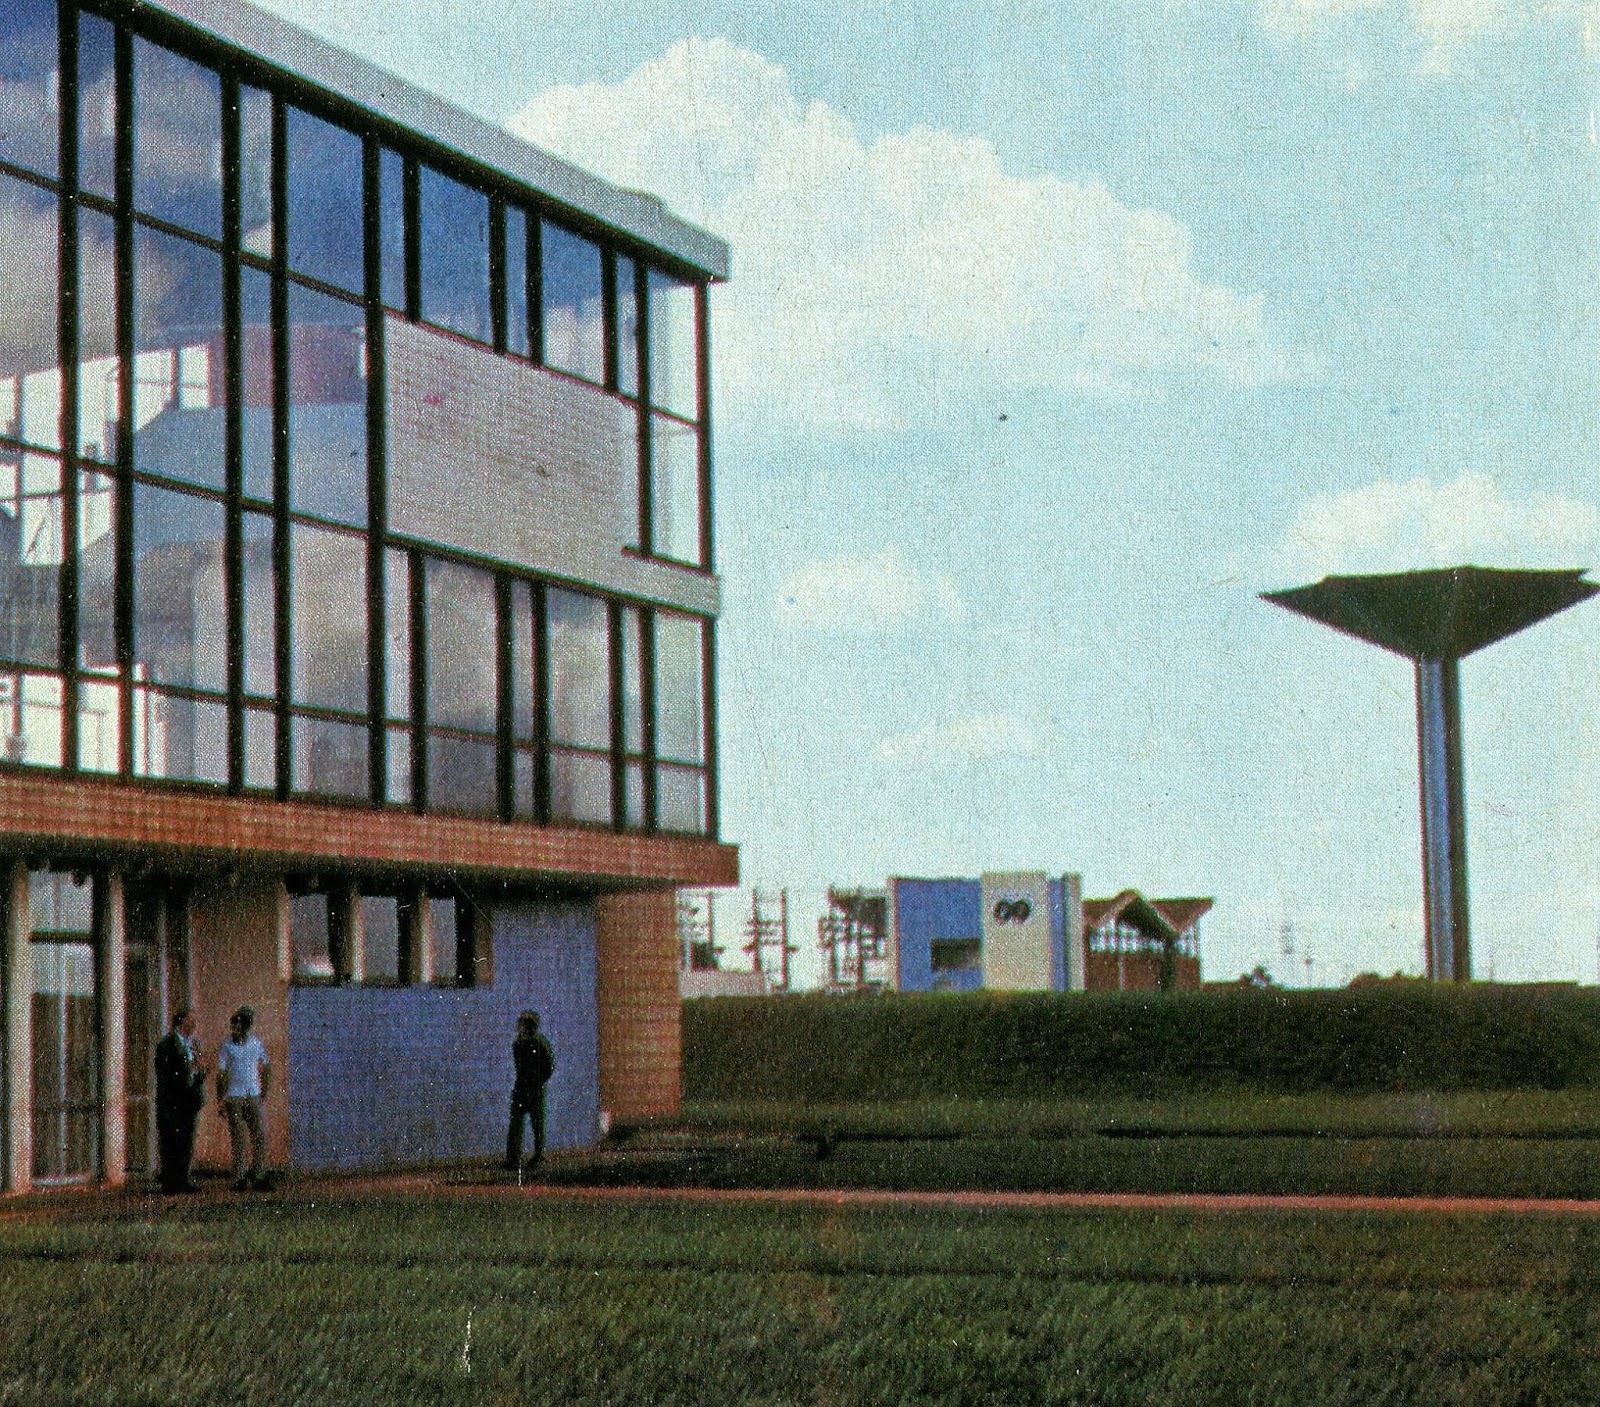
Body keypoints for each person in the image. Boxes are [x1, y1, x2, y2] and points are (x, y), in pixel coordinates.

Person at [216, 1006, 272, 1191]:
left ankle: (258, 1174)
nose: (235, 1030)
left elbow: (266, 1066)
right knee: (239, 1138)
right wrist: (221, 1098)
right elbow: (222, 1073)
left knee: (260, 1135)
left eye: (239, 1026)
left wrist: (264, 1091)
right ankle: (239, 1177)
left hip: (252, 1093)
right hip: (234, 1096)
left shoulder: (255, 1043)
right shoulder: (227, 1045)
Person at [153, 1007, 207, 1194]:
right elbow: (166, 1072)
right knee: (171, 1140)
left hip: (190, 1100)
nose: (194, 1025)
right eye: (190, 1021)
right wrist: (188, 1069)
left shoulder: (194, 1044)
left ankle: (183, 1178)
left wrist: (200, 1070)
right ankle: (170, 1182)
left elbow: (200, 1070)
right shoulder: (167, 1044)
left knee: (186, 1140)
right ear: (180, 1021)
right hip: (173, 1100)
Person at [504, 1010, 555, 1171]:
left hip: (525, 1087)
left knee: (519, 1124)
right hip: (532, 1088)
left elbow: (547, 1066)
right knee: (535, 1124)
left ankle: (515, 1158)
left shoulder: (520, 1043)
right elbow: (549, 1066)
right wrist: (540, 1080)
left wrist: (537, 1080)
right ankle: (536, 1156)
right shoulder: (538, 1042)